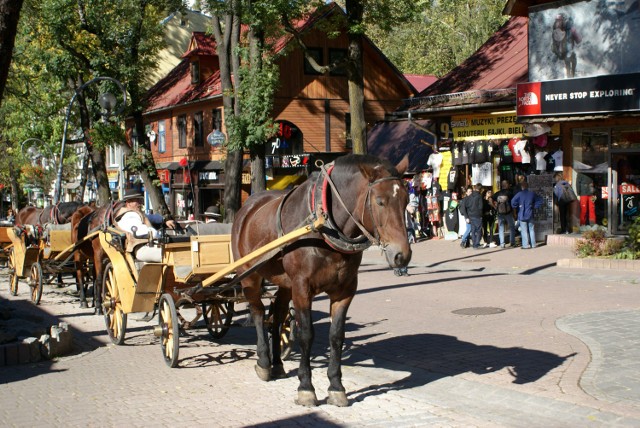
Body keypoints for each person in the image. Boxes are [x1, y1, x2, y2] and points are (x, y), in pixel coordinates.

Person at [114, 189, 176, 262]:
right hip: (141, 249)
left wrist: (165, 220)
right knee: (173, 255)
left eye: (140, 200)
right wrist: (158, 234)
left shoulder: (134, 214)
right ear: (128, 203)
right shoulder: (130, 216)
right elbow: (151, 234)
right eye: (137, 201)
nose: (141, 203)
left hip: (146, 246)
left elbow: (152, 217)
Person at [511, 181, 543, 249]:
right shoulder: (532, 194)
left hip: (522, 214)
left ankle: (525, 245)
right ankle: (533, 245)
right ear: (527, 186)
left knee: (524, 230)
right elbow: (540, 200)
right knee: (531, 229)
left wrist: (516, 206)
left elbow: (513, 201)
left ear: (522, 187)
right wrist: (534, 206)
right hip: (530, 214)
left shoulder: (519, 194)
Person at [492, 180, 517, 248]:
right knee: (511, 227)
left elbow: (490, 199)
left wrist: (494, 207)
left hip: (500, 213)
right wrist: (514, 213)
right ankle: (512, 242)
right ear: (506, 185)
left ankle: (502, 244)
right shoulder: (510, 193)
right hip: (509, 213)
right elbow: (513, 204)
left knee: (501, 228)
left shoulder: (497, 193)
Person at [394, 204, 417, 277]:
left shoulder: (406, 202)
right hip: (397, 229)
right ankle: (397, 269)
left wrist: (407, 206)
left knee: (406, 250)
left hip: (407, 229)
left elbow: (412, 210)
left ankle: (404, 270)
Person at [459, 183, 483, 249]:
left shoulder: (470, 197)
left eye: (471, 191)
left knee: (472, 230)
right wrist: (466, 217)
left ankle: (471, 243)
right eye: (469, 191)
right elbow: (480, 207)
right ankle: (466, 241)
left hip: (470, 215)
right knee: (473, 230)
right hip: (472, 216)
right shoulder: (475, 197)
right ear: (466, 192)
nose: (470, 192)